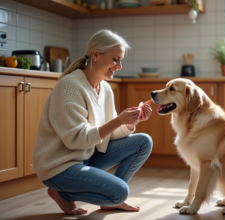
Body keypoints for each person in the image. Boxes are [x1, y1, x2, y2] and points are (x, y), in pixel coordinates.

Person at [33, 30, 153, 215]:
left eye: (120, 60)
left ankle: (110, 200)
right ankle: (62, 192)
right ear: (96, 55)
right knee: (120, 192)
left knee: (143, 141)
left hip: (86, 156)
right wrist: (118, 120)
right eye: (115, 59)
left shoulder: (105, 88)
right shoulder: (70, 86)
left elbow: (110, 134)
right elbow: (77, 139)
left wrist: (129, 123)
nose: (119, 66)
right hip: (60, 165)